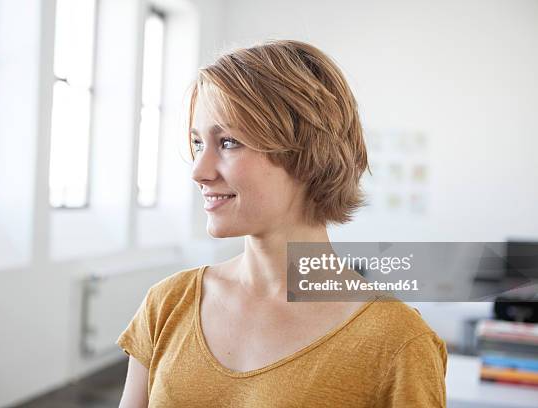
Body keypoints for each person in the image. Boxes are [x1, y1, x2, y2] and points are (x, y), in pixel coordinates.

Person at [117, 39, 447, 407]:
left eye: (228, 142)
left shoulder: (397, 342)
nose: (199, 171)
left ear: (307, 154)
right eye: (198, 143)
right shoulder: (167, 304)